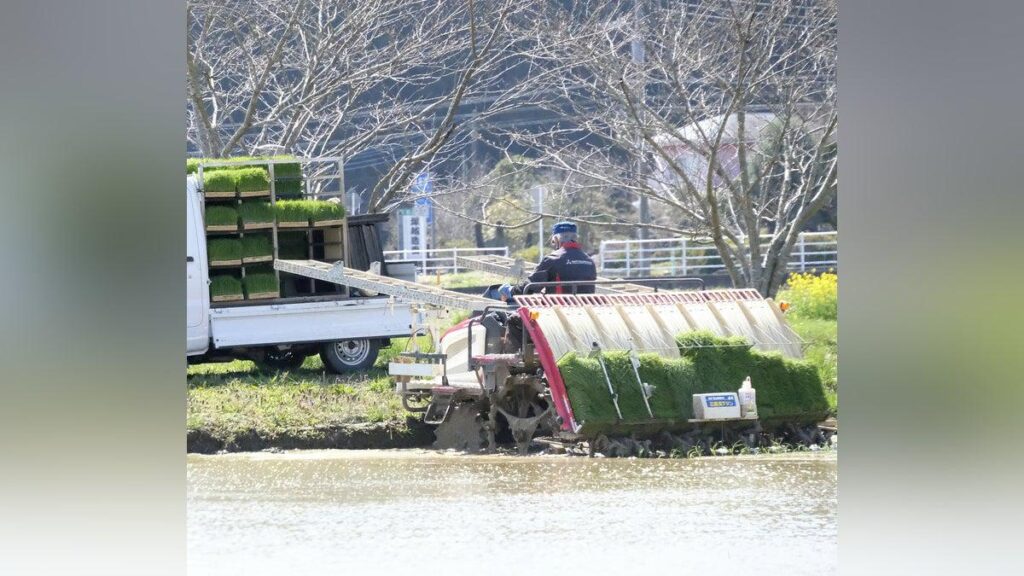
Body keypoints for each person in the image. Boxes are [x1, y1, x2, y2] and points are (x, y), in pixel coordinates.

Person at [515, 221, 597, 295]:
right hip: (586, 309)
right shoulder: (590, 261)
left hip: (559, 308)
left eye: (553, 242)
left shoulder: (552, 259)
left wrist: (510, 291)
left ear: (557, 239)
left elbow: (530, 286)